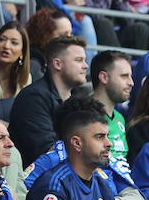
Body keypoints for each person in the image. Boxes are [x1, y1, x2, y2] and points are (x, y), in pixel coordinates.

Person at [8, 36, 89, 164]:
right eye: (79, 60)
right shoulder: (33, 98)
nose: (85, 66)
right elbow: (45, 151)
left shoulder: (77, 101)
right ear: (57, 64)